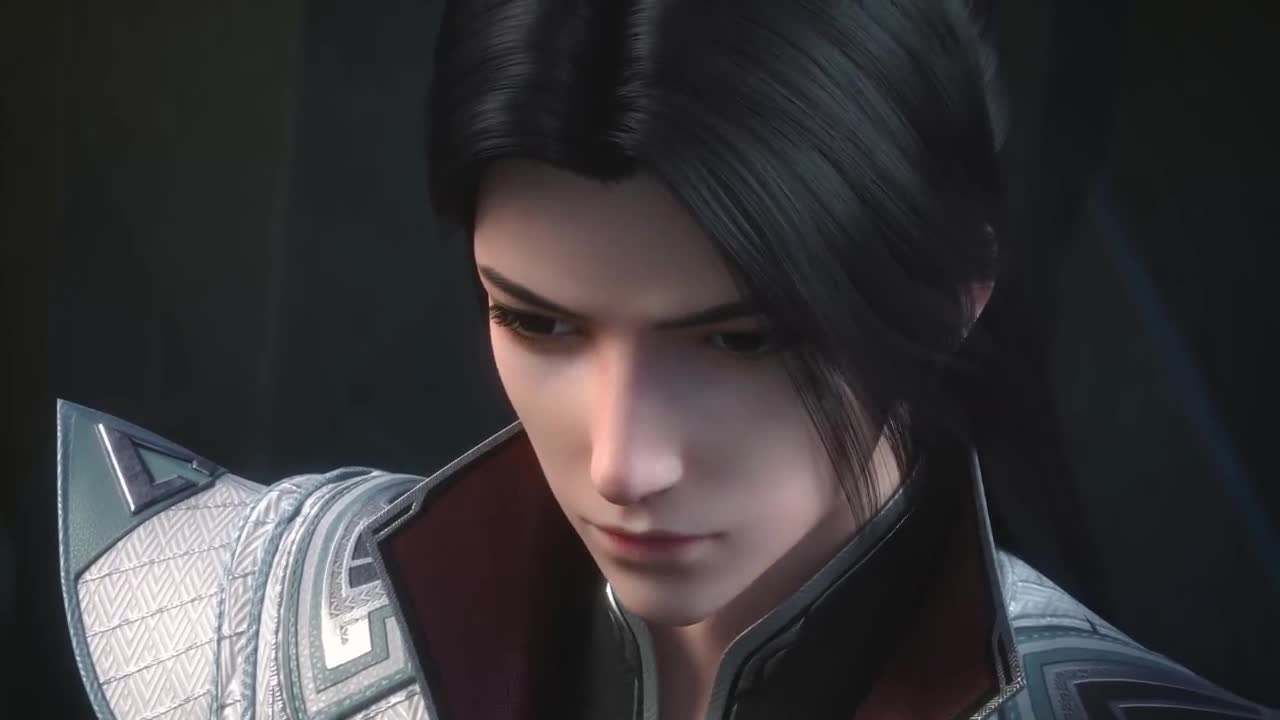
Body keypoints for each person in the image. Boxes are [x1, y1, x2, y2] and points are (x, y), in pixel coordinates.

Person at [56, 1, 1276, 718]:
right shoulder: (258, 625)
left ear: (954, 302)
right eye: (538, 323)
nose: (620, 463)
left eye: (738, 339)